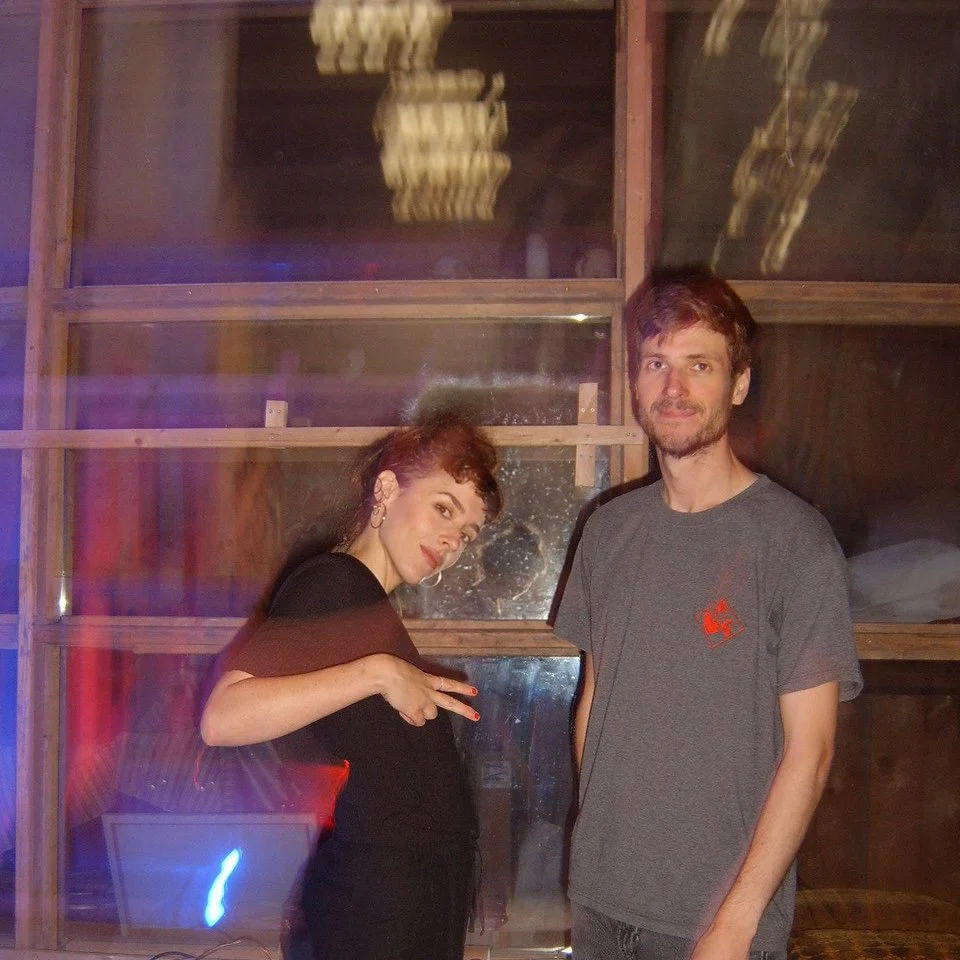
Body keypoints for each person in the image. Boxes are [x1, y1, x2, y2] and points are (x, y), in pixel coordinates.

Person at [553, 266, 863, 960]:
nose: (674, 388)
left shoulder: (795, 542)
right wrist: (597, 846)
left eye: (700, 365)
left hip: (716, 922)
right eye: (656, 364)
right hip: (600, 899)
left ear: (739, 383)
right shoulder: (607, 533)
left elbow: (811, 753)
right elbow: (596, 700)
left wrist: (735, 923)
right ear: (635, 381)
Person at [200, 411, 503, 960]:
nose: (452, 541)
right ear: (386, 489)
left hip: (401, 902)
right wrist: (378, 673)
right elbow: (223, 719)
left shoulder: (365, 603)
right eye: (443, 509)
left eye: (466, 534)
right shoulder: (333, 583)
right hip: (376, 913)